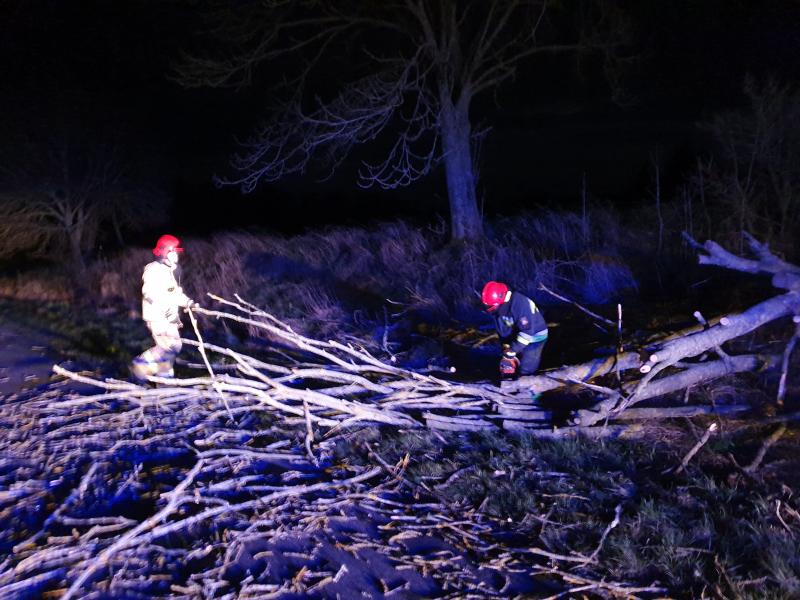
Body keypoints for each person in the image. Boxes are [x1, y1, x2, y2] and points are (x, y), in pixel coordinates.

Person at [131, 234, 197, 381]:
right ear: (165, 252)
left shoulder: (168, 271)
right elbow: (149, 293)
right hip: (159, 318)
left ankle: (158, 376)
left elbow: (174, 294)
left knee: (170, 348)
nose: (177, 255)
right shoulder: (154, 270)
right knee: (169, 347)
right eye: (174, 252)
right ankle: (143, 368)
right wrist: (164, 309)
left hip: (168, 318)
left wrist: (189, 303)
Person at [481, 280, 548, 377]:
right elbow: (503, 330)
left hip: (535, 336)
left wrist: (513, 350)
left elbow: (527, 332)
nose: (489, 308)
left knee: (527, 369)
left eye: (491, 306)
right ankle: (510, 383)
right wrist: (506, 349)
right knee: (507, 365)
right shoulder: (499, 309)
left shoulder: (520, 304)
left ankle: (532, 388)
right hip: (516, 333)